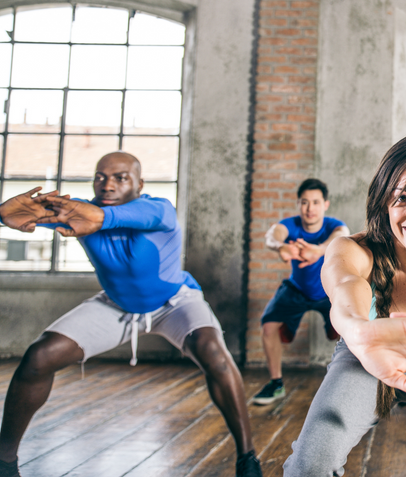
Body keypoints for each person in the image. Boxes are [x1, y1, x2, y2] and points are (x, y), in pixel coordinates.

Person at [0, 152, 262, 477]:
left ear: (139, 183)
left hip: (175, 302)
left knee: (214, 354)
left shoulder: (158, 208)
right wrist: (1, 216)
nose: (107, 184)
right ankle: (5, 460)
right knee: (40, 356)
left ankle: (247, 458)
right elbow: (27, 213)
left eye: (120, 178)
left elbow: (134, 216)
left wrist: (95, 217)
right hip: (117, 304)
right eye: (100, 177)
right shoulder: (75, 209)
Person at [283, 134, 406, 477]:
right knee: (309, 466)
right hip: (366, 353)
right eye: (402, 198)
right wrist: (359, 332)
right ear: (384, 201)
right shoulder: (352, 250)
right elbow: (345, 288)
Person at [252, 179, 349, 405]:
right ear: (298, 204)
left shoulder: (333, 226)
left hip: (328, 291)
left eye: (315, 202)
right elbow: (272, 235)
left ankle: (349, 383)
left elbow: (342, 234)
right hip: (296, 289)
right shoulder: (291, 225)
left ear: (325, 204)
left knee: (353, 324)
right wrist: (281, 246)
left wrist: (320, 250)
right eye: (304, 202)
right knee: (268, 326)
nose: (309, 208)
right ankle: (276, 383)